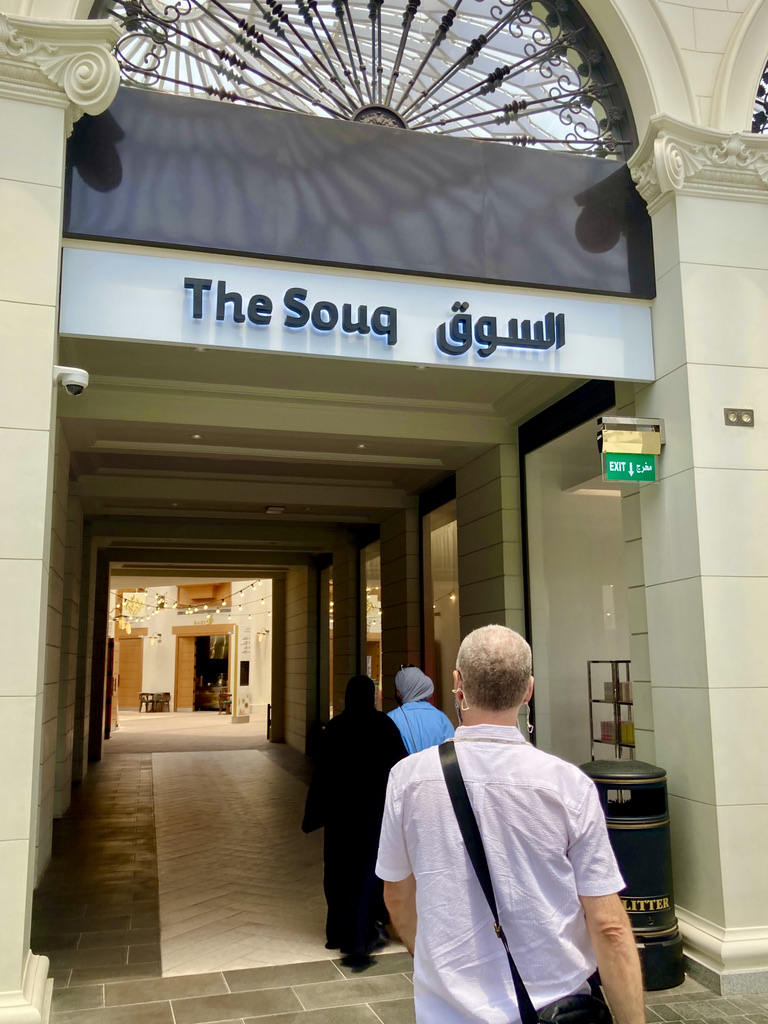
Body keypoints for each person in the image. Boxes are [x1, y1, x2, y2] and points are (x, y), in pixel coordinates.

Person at [376, 625, 645, 1024]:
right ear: (528, 690)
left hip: (446, 1011)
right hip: (558, 1008)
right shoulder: (568, 786)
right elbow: (609, 926)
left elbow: (397, 896)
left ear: (457, 684)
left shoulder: (408, 780)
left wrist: (432, 960)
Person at [303, 674, 407, 968]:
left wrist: (314, 813)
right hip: (374, 816)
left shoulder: (336, 728)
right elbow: (400, 768)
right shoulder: (384, 726)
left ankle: (337, 931)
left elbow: (321, 774)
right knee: (368, 873)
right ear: (372, 696)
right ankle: (364, 928)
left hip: (341, 819)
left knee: (338, 874)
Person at [388, 665, 455, 753]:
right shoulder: (442, 718)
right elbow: (451, 754)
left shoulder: (390, 719)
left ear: (401, 692)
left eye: (397, 689)